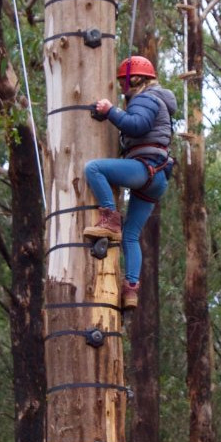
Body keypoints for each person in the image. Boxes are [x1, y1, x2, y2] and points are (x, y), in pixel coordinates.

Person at [84, 56, 177, 309]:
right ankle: (131, 290)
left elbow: (137, 125)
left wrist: (110, 111)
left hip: (145, 169)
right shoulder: (158, 100)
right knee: (131, 235)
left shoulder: (146, 98)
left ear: (131, 80)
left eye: (122, 83)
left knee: (94, 168)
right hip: (157, 178)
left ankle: (109, 219)